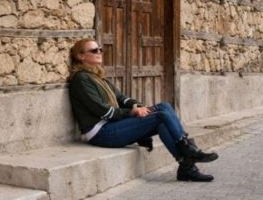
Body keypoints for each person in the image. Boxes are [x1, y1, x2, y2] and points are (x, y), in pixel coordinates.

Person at [68, 38, 218, 182]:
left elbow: (123, 99)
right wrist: (132, 112)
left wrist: (137, 106)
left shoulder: (97, 76)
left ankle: (187, 160)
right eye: (94, 50)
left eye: (100, 49)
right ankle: (188, 154)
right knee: (161, 116)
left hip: (111, 126)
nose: (99, 52)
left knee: (164, 107)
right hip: (101, 132)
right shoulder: (81, 79)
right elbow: (104, 112)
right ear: (81, 56)